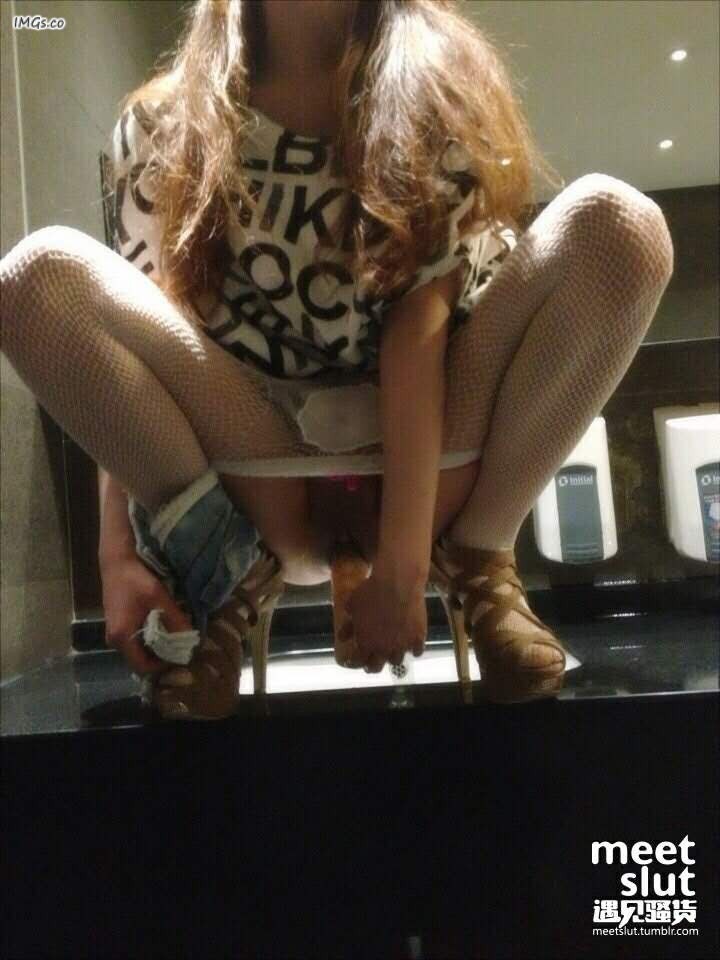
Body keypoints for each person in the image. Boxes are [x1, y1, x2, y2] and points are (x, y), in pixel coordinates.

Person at [0, 0, 674, 718]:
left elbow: (417, 335)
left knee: (618, 224)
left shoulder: (436, 87)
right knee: (37, 277)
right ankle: (220, 572)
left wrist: (404, 570)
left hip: (437, 466)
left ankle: (481, 559)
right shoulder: (163, 125)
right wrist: (118, 553)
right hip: (257, 472)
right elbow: (138, 353)